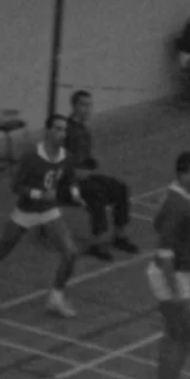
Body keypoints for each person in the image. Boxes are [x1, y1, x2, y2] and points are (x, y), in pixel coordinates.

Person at [0, 115, 83, 318]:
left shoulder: (66, 157)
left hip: (49, 210)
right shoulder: (31, 156)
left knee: (70, 252)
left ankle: (56, 298)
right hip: (26, 211)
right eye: (58, 129)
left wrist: (75, 194)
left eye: (64, 130)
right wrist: (38, 194)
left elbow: (70, 179)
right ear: (48, 131)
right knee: (2, 249)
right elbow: (16, 186)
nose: (62, 134)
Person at [146, 151, 190, 379]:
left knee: (183, 334)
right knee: (177, 338)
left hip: (179, 271)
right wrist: (175, 290)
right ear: (182, 175)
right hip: (171, 274)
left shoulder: (180, 195)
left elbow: (157, 224)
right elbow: (164, 253)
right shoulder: (177, 204)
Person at [65, 90, 138, 261]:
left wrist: (90, 163)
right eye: (83, 105)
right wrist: (73, 172)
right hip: (69, 183)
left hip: (85, 176)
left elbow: (83, 157)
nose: (87, 109)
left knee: (120, 188)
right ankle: (96, 244)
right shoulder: (67, 131)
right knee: (97, 194)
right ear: (74, 106)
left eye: (89, 105)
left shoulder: (84, 129)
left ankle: (119, 236)